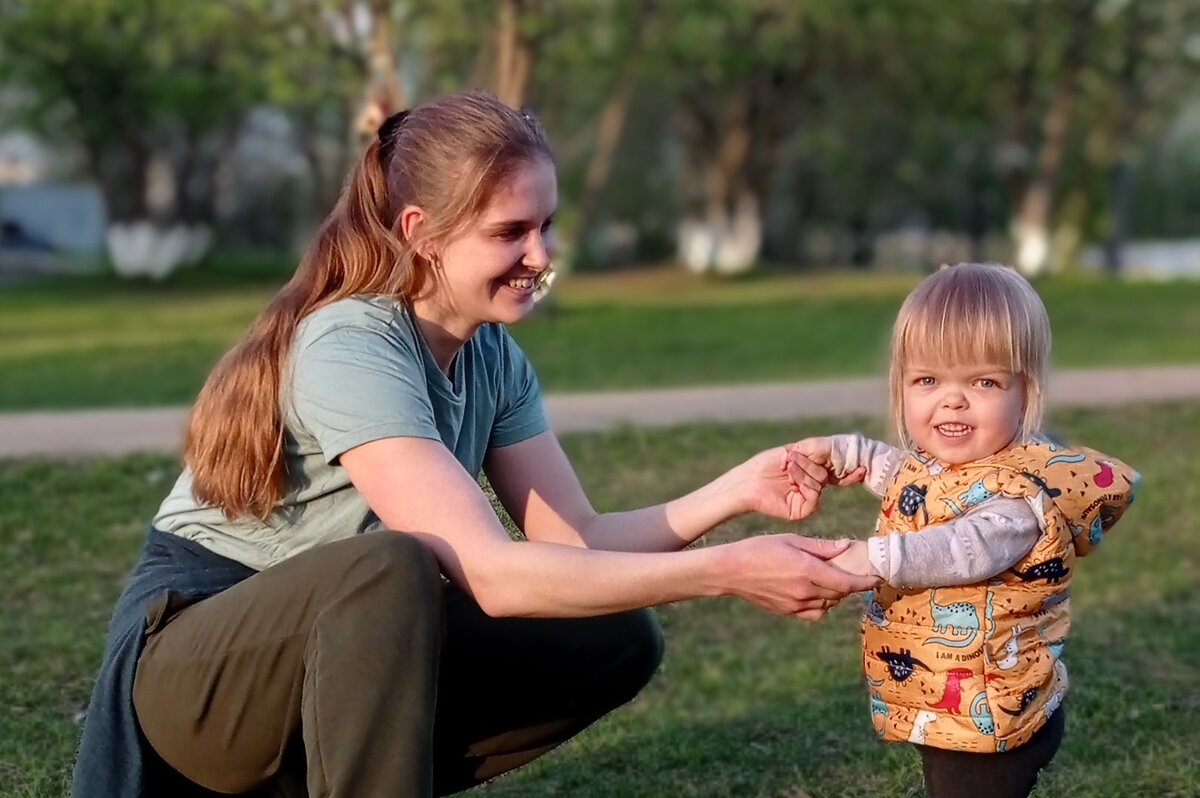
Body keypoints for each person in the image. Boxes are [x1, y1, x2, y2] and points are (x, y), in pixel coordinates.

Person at [71, 90, 876, 798]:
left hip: (326, 651)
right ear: (422, 232)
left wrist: (738, 490)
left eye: (547, 225)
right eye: (511, 232)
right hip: (193, 676)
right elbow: (490, 574)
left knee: (615, 634)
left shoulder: (493, 355)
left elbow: (577, 542)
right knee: (393, 568)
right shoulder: (351, 341)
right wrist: (727, 574)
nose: (541, 256)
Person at [789, 263, 1139, 798]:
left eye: (984, 381)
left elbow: (961, 547)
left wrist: (873, 558)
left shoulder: (1018, 499)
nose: (952, 400)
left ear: (1027, 390)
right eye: (928, 380)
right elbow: (907, 480)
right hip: (957, 705)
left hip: (991, 720)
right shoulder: (944, 467)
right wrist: (847, 453)